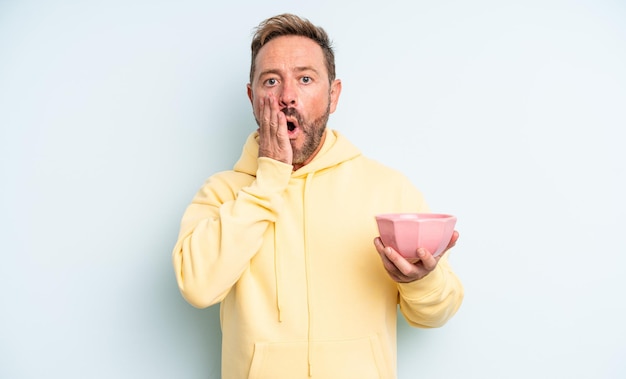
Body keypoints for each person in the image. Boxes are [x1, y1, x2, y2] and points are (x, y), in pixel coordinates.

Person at [172, 13, 464, 379]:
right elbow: (198, 287)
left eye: (305, 79)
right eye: (271, 81)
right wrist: (268, 181)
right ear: (252, 97)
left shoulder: (388, 189)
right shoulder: (222, 192)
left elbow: (437, 314)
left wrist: (422, 281)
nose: (287, 97)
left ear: (333, 94)